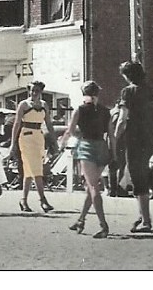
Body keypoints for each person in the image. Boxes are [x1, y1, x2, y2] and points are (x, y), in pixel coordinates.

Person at [60, 81, 112, 238]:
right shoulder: (105, 111)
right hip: (102, 147)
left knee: (93, 187)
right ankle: (81, 220)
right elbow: (111, 134)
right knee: (91, 187)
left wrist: (62, 144)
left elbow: (69, 130)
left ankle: (104, 225)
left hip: (87, 146)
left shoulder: (80, 110)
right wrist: (114, 153)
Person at [114, 60, 153, 233]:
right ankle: (142, 215)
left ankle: (146, 221)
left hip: (134, 138)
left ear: (128, 75)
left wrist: (114, 136)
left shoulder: (128, 92)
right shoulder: (152, 90)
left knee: (137, 176)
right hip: (150, 138)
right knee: (140, 174)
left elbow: (123, 118)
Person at [11, 81, 55, 213]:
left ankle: (23, 200)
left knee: (31, 170)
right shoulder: (23, 104)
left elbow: (49, 124)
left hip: (38, 137)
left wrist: (54, 141)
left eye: (37, 90)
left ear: (41, 92)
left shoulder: (44, 105)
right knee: (35, 169)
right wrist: (13, 144)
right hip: (26, 137)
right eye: (32, 90)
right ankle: (43, 200)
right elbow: (17, 124)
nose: (34, 93)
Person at [106, 106, 125, 197]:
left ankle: (113, 188)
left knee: (114, 166)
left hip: (114, 140)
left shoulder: (112, 112)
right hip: (118, 141)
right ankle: (115, 188)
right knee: (117, 165)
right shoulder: (118, 113)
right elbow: (115, 127)